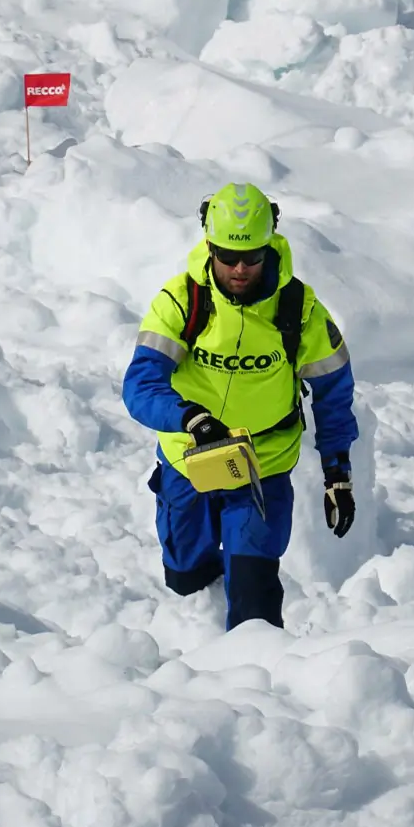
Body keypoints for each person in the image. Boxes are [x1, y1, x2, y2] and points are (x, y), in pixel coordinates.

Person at [122, 182, 358, 629]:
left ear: (270, 247)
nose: (240, 268)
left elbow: (334, 393)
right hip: (187, 459)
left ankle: (258, 684)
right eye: (228, 256)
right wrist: (190, 417)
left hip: (261, 468)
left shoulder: (299, 311)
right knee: (186, 579)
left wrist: (338, 473)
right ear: (209, 245)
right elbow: (140, 384)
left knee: (255, 598)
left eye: (252, 256)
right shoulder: (183, 301)